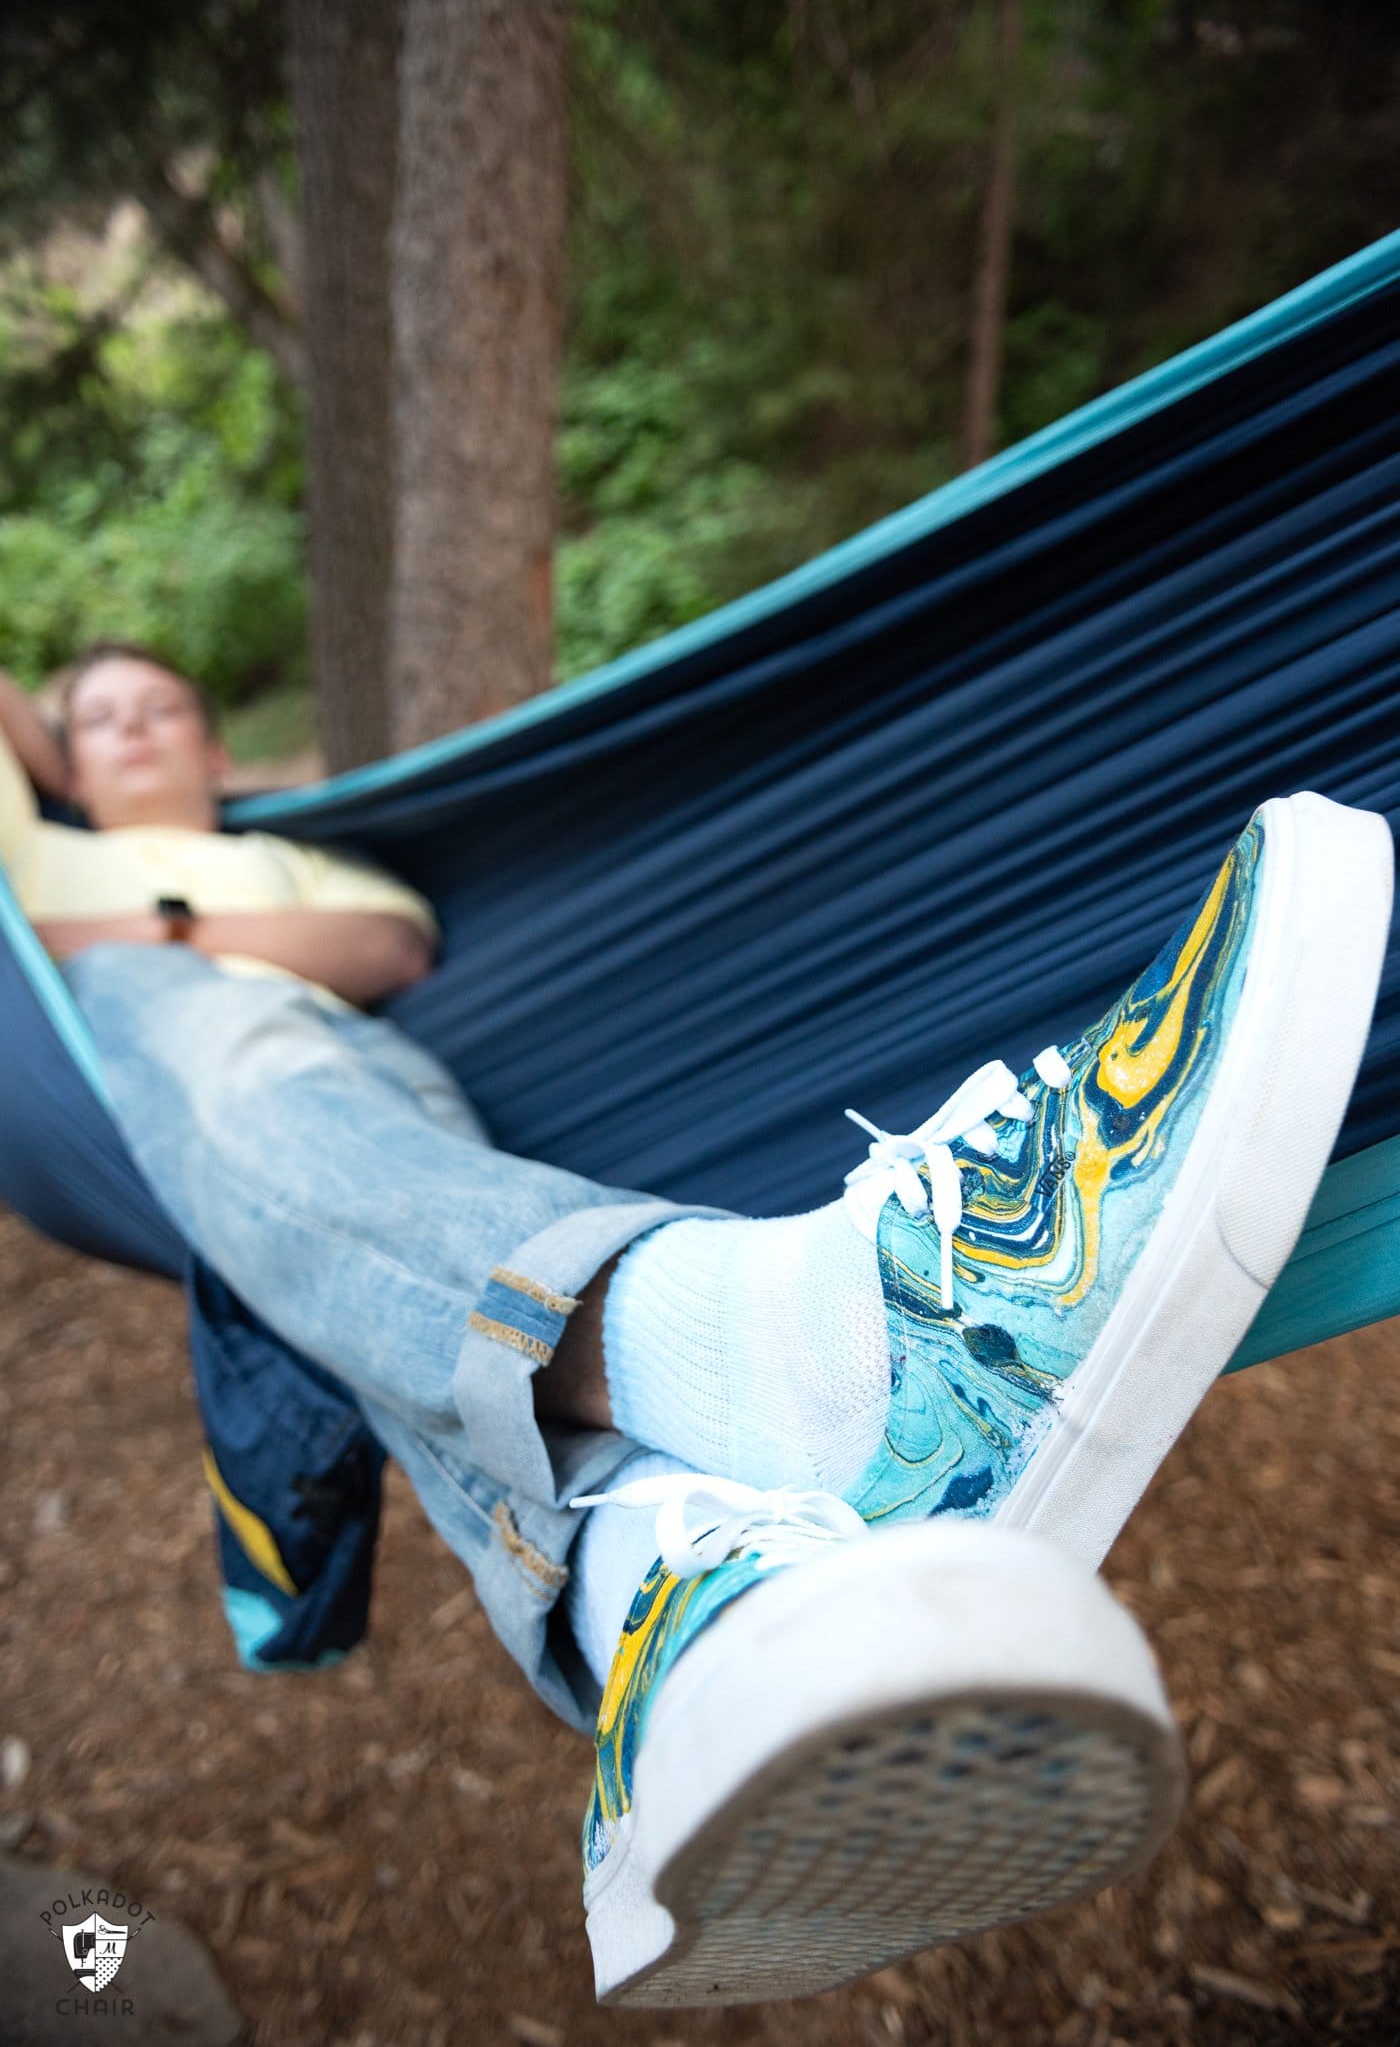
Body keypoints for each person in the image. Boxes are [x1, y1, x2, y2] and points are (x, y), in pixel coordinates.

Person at [0, 643, 1391, 2008]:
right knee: (194, 1040)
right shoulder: (37, 863)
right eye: (96, 715)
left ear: (217, 749)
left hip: (384, 1125)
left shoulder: (280, 853)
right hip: (156, 1082)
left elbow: (387, 940)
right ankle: (818, 1350)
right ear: (56, 757)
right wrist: (135, 942)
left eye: (160, 706)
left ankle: (682, 1618)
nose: (130, 727)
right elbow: (96, 937)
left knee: (374, 1301)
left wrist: (166, 918)